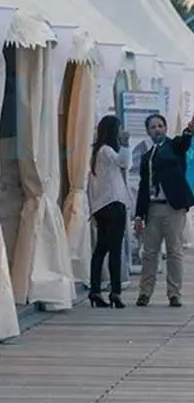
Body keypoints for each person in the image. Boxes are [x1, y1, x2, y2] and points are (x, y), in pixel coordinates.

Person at [134, 113, 194, 307]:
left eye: (160, 125)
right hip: (153, 208)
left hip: (173, 207)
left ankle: (174, 293)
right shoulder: (146, 156)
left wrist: (189, 130)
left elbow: (183, 141)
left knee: (174, 251)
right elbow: (144, 186)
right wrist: (138, 214)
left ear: (165, 128)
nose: (157, 129)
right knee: (149, 252)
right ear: (148, 131)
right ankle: (145, 292)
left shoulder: (174, 147)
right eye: (153, 127)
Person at [87, 115, 130, 308]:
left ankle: (95, 291)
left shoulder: (97, 152)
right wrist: (126, 143)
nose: (121, 132)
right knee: (114, 250)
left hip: (102, 206)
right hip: (114, 203)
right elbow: (124, 162)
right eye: (119, 129)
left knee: (101, 250)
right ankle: (115, 292)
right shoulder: (107, 151)